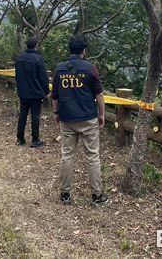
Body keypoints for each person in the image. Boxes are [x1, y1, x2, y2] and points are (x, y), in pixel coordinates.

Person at [51, 34, 108, 206]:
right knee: (92, 156)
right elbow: (99, 94)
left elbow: (55, 95)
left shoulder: (60, 69)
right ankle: (97, 195)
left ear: (70, 49)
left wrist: (56, 112)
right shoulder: (90, 68)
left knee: (67, 155)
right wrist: (101, 114)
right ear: (84, 50)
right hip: (88, 118)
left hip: (67, 118)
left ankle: (65, 195)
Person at [14, 37, 50, 148]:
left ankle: (20, 139)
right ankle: (35, 140)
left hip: (23, 92)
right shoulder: (38, 59)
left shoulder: (19, 58)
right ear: (36, 45)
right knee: (35, 116)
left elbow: (17, 76)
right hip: (35, 93)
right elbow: (43, 77)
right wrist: (45, 91)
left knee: (23, 115)